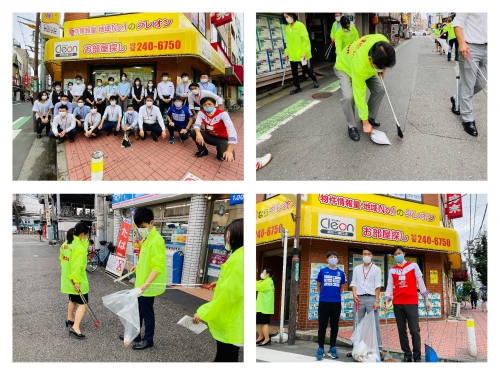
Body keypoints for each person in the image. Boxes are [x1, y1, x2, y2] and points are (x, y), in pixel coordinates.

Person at [193, 219, 244, 362]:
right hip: (232, 320)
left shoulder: (240, 258)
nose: (225, 237)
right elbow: (236, 285)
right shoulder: (239, 255)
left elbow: (228, 295)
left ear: (237, 234)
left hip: (231, 321)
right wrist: (220, 282)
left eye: (228, 233)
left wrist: (203, 312)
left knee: (224, 359)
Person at [120, 207, 166, 349]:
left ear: (152, 223)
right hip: (141, 284)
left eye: (143, 227)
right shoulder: (147, 239)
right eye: (138, 227)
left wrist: (146, 284)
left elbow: (157, 267)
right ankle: (136, 335)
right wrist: (137, 267)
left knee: (147, 314)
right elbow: (146, 261)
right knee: (138, 311)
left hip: (147, 286)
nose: (140, 229)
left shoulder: (156, 241)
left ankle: (148, 339)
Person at [334, 34, 396, 141]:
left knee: (380, 89)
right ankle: (352, 126)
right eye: (379, 67)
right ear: (370, 59)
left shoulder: (383, 43)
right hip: (345, 67)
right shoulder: (360, 65)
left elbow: (384, 60)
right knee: (349, 97)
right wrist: (364, 122)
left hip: (366, 68)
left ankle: (370, 116)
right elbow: (360, 95)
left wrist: (382, 70)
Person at [384, 246, 431, 362]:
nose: (397, 255)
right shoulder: (392, 270)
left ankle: (417, 356)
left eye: (399, 253)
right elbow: (390, 286)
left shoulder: (413, 266)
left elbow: (420, 283)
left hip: (411, 302)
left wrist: (426, 299)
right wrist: (387, 299)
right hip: (398, 303)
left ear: (404, 253)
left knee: (414, 330)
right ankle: (407, 355)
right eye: (395, 254)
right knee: (402, 331)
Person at [452, 13, 487, 137]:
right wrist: (462, 42)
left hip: (488, 48)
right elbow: (457, 22)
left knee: (483, 82)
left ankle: (457, 98)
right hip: (470, 47)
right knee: (468, 84)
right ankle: (468, 119)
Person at [350, 247, 383, 359]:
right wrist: (354, 294)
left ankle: (379, 349)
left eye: (369, 254)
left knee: (375, 325)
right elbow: (353, 283)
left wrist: (376, 300)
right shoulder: (356, 269)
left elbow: (378, 286)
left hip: (371, 299)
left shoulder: (376, 270)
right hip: (359, 298)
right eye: (364, 254)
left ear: (372, 256)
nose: (367, 256)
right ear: (361, 255)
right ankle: (356, 349)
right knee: (357, 323)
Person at [60, 222, 90, 339]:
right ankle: (75, 327)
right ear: (82, 234)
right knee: (83, 303)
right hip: (77, 281)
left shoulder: (66, 243)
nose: (86, 237)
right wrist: (77, 281)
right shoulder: (79, 248)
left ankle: (70, 318)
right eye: (86, 235)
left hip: (67, 278)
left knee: (73, 300)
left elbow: (62, 260)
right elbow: (77, 266)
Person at [315, 251, 346, 360]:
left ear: (338, 259)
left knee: (334, 326)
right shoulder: (322, 271)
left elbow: (342, 288)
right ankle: (320, 348)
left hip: (336, 303)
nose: (333, 258)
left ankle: (332, 347)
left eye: (335, 257)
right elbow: (318, 285)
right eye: (331, 257)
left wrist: (335, 295)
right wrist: (322, 296)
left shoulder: (341, 273)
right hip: (323, 302)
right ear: (327, 259)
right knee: (322, 327)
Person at [191, 97, 237, 162]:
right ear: (202, 106)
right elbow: (197, 124)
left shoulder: (222, 114)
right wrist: (198, 134)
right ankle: (203, 150)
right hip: (209, 135)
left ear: (214, 105)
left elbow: (231, 130)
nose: (207, 106)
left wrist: (229, 151)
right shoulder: (201, 113)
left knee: (227, 156)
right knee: (193, 132)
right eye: (205, 105)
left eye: (209, 104)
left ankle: (219, 149)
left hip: (222, 138)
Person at [283, 13, 319, 95]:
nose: (287, 18)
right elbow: (288, 42)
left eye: (287, 16)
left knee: (305, 69)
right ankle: (297, 87)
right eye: (285, 17)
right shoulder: (288, 28)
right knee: (294, 71)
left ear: (292, 15)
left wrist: (304, 52)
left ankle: (314, 79)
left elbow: (305, 40)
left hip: (301, 53)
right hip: (292, 53)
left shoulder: (300, 25)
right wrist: (287, 52)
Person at [256, 268, 275, 346]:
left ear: (268, 274)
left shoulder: (268, 282)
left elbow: (257, 287)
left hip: (265, 307)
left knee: (264, 323)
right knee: (261, 323)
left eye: (263, 272)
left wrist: (258, 282)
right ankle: (260, 337)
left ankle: (267, 339)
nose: (262, 273)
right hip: (262, 306)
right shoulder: (267, 281)